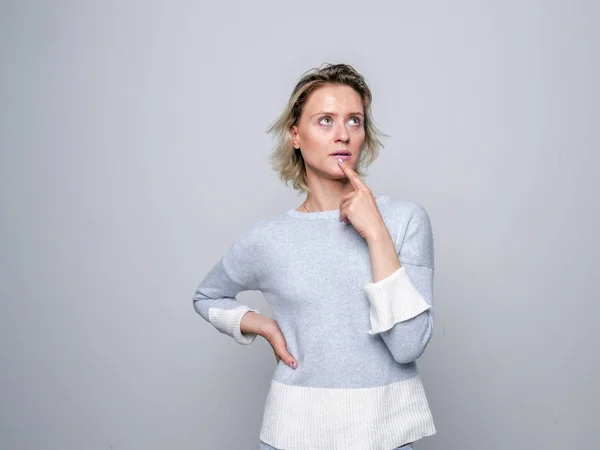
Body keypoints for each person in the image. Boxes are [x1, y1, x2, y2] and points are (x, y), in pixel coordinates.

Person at [192, 63, 436, 450]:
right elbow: (206, 296)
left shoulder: (405, 220)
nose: (343, 134)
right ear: (295, 135)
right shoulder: (268, 239)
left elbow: (408, 346)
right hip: (293, 434)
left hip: (385, 437)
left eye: (354, 121)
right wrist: (262, 325)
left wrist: (375, 232)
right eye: (325, 120)